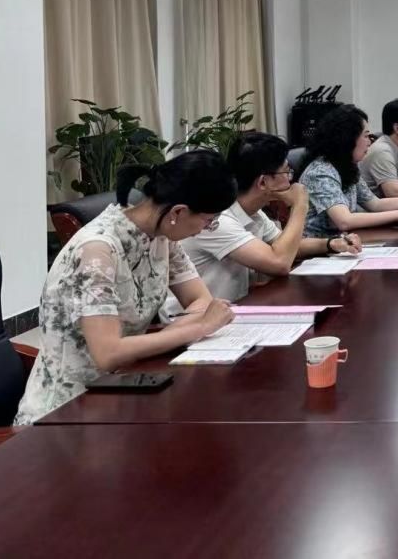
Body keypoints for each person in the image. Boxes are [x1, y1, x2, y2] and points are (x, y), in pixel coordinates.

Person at [15, 151, 239, 424]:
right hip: (68, 411)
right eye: (208, 221)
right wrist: (199, 327)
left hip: (127, 386)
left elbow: (201, 301)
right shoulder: (98, 251)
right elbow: (108, 354)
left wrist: (186, 326)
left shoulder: (160, 236)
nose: (206, 229)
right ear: (178, 212)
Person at [171, 133, 365, 309]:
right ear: (263, 182)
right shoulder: (217, 220)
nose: (291, 179)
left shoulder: (253, 212)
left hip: (236, 310)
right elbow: (280, 262)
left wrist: (331, 244)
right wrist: (300, 205)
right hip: (197, 320)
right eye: (286, 172)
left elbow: (287, 246)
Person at [296, 104, 398, 236]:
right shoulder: (320, 173)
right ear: (347, 139)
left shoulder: (347, 166)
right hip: (319, 246)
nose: (369, 142)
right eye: (366, 136)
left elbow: (375, 204)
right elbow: (344, 221)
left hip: (345, 241)